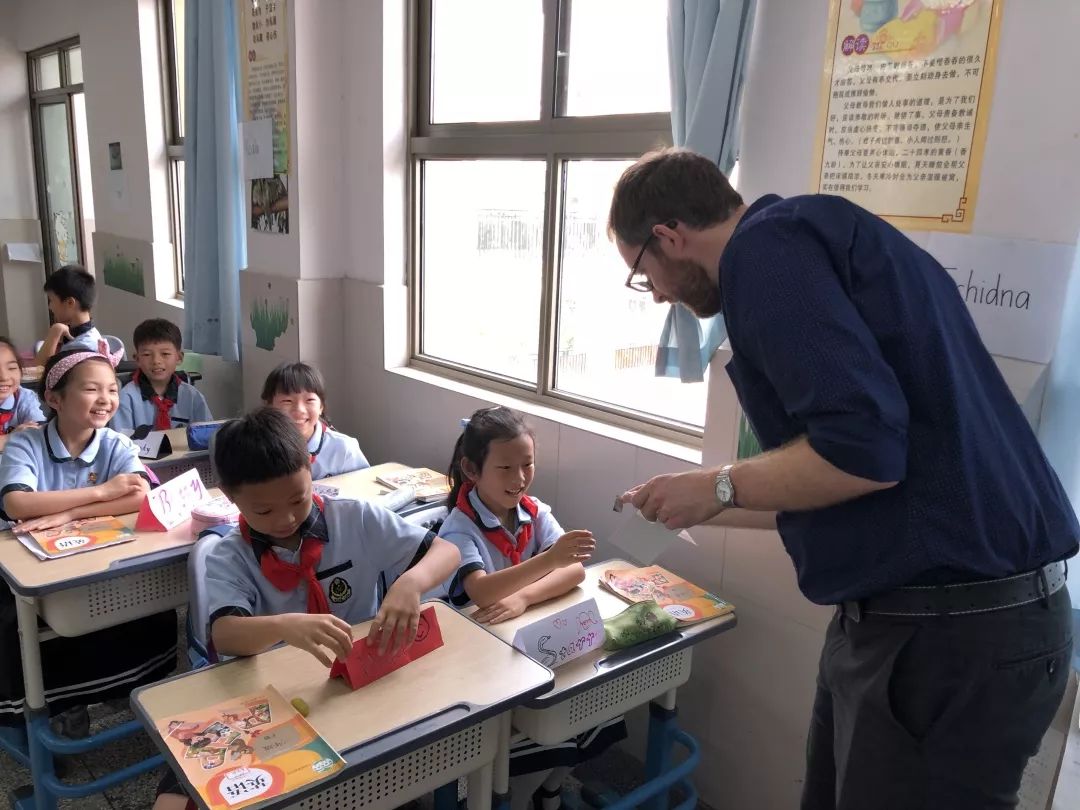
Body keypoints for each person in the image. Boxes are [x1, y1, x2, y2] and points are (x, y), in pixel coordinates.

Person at [608, 147, 1078, 809]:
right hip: (918, 622)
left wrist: (716, 485)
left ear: (667, 235)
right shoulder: (814, 238)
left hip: (955, 636)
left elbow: (863, 451)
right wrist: (697, 500)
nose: (655, 292)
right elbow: (836, 474)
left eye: (641, 272)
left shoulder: (767, 255)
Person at [153, 407, 459, 810]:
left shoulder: (355, 518)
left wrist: (410, 583)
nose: (285, 519)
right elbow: (224, 633)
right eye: (263, 511)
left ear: (310, 468)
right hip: (272, 701)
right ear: (230, 497)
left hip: (361, 689)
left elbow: (447, 551)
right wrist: (284, 626)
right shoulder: (231, 556)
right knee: (178, 798)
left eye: (297, 499)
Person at [440, 406, 615, 810]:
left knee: (589, 698)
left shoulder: (534, 512)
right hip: (476, 659)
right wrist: (547, 563)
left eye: (527, 464)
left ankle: (546, 785)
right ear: (472, 469)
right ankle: (508, 791)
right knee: (514, 734)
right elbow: (482, 592)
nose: (519, 478)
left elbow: (573, 572)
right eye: (504, 468)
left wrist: (523, 597)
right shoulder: (458, 527)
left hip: (526, 639)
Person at [0, 348, 177, 738]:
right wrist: (101, 494)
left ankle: (120, 684)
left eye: (112, 390)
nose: (105, 400)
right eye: (91, 389)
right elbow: (17, 503)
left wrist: (68, 515)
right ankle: (62, 702)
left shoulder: (114, 442)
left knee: (134, 598)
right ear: (54, 398)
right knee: (30, 622)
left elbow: (138, 495)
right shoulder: (25, 444)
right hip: (32, 564)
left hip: (89, 555)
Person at [262, 362, 369, 479]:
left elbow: (365, 490)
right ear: (269, 406)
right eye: (287, 401)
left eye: (309, 400)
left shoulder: (343, 449)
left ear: (321, 407)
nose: (299, 410)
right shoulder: (255, 445)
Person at [112, 318, 212, 432]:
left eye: (165, 354)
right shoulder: (126, 398)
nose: (156, 361)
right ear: (137, 359)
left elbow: (206, 436)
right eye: (147, 354)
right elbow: (119, 444)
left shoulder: (193, 397)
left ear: (179, 358)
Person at [34, 264, 103, 365]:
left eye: (51, 300)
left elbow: (41, 370)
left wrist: (54, 333)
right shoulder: (86, 335)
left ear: (70, 303)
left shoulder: (81, 348)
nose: (50, 306)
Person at [0, 336, 45, 450]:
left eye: (11, 368)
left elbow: (38, 432)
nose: (4, 377)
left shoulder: (24, 397)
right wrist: (10, 438)